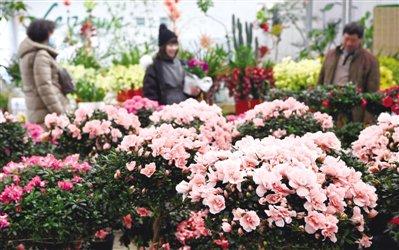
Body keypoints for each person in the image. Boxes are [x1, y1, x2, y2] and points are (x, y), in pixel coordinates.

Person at [318, 22, 380, 123]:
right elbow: (321, 80)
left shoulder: (370, 60)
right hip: (330, 105)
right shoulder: (331, 55)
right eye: (346, 39)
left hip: (354, 110)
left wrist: (368, 118)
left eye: (353, 40)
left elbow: (373, 93)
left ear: (360, 40)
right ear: (342, 37)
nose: (349, 43)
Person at [18, 19, 69, 124]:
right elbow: (44, 87)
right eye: (51, 32)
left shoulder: (30, 54)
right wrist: (60, 113)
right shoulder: (41, 54)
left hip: (39, 111)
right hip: (47, 114)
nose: (52, 35)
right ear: (44, 34)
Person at [143, 24, 188, 105]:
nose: (174, 48)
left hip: (184, 108)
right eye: (170, 45)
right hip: (164, 109)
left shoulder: (183, 64)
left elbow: (189, 90)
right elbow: (150, 94)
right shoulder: (154, 68)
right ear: (163, 47)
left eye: (175, 45)